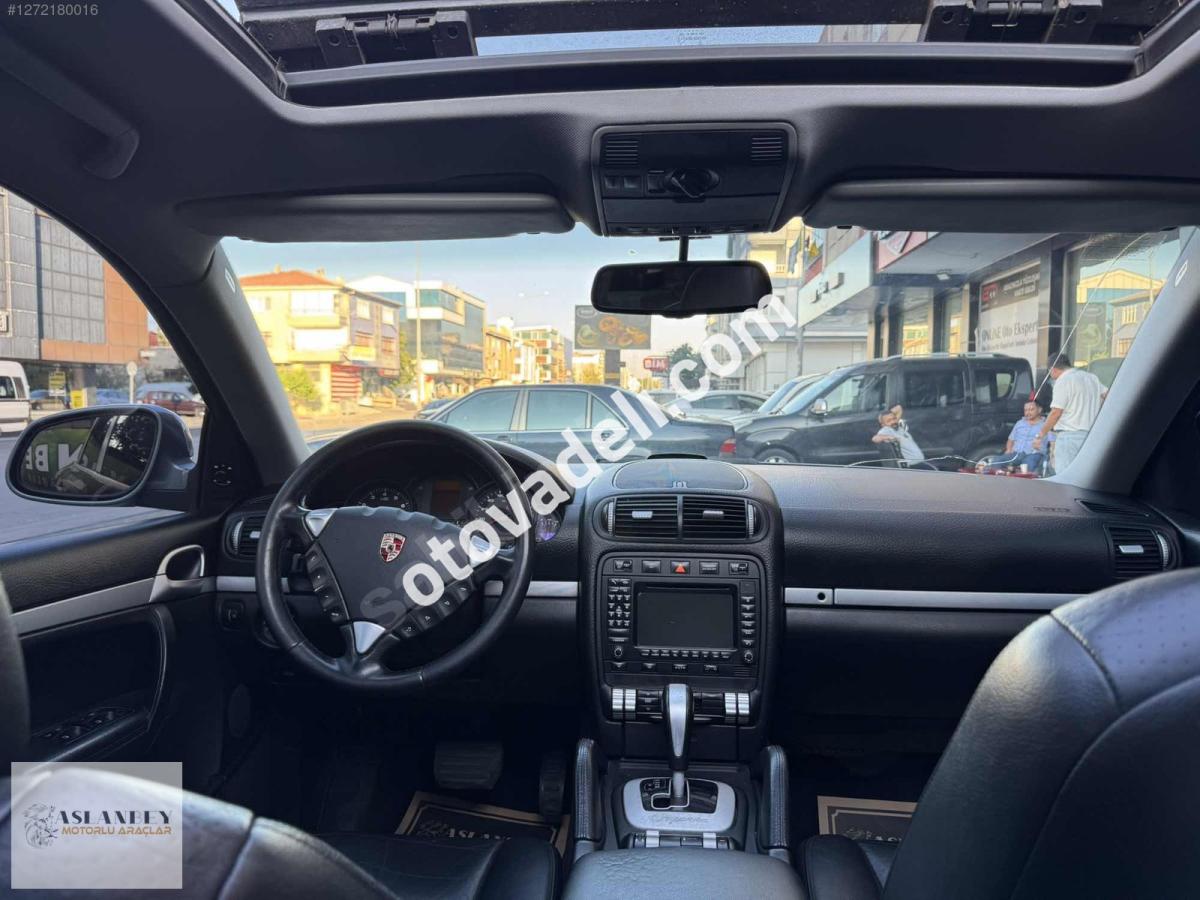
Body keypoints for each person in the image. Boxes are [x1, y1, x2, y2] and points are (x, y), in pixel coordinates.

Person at [1031, 354, 1107, 473]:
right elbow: (1107, 396)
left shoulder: (1063, 380)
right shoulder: (1091, 377)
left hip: (1069, 437)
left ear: (1052, 369)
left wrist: (1040, 435)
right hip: (1091, 436)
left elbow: (1056, 412)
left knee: (1065, 477)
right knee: (1084, 475)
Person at [979, 400, 1055, 474]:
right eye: (1026, 410)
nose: (1028, 413)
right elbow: (1011, 439)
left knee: (1027, 469)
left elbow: (1053, 442)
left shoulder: (1046, 425)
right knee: (997, 461)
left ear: (1039, 410)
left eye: (1031, 410)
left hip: (1034, 454)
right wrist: (1009, 450)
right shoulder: (1020, 423)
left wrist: (1052, 455)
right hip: (1016, 454)